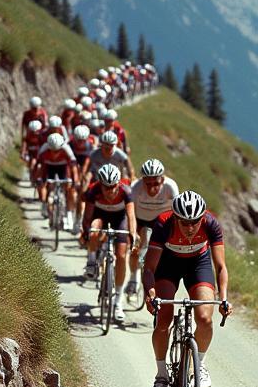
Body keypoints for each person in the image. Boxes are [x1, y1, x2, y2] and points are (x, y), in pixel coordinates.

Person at [143, 191, 229, 387]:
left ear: (202, 218)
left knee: (205, 318)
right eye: (184, 223)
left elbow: (220, 266)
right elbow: (149, 268)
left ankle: (199, 365)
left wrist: (224, 297)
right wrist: (150, 293)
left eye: (195, 222)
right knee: (163, 319)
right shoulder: (164, 224)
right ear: (175, 218)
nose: (190, 228)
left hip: (198, 264)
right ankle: (161, 375)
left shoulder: (211, 224)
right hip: (168, 264)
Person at [81, 164, 136, 322]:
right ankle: (91, 261)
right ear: (101, 184)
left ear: (118, 184)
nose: (110, 191)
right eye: (106, 187)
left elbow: (131, 217)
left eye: (113, 187)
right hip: (100, 217)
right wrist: (86, 233)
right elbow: (87, 217)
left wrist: (132, 234)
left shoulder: (126, 192)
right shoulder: (94, 191)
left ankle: (118, 302)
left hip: (120, 219)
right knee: (93, 228)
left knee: (121, 255)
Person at [126, 158, 179, 296]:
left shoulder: (170, 186)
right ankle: (134, 277)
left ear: (162, 179)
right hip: (141, 220)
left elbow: (177, 213)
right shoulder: (136, 187)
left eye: (155, 183)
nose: (152, 188)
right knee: (136, 249)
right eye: (147, 183)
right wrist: (133, 233)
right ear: (142, 180)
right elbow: (130, 213)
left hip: (161, 221)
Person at [33, 132, 79, 217]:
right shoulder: (44, 148)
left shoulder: (66, 148)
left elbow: (73, 166)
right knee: (43, 184)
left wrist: (75, 180)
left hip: (62, 167)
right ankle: (44, 204)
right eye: (52, 150)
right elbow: (38, 165)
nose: (55, 153)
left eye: (57, 150)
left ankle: (68, 211)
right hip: (48, 167)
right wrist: (37, 178)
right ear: (49, 146)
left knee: (69, 188)